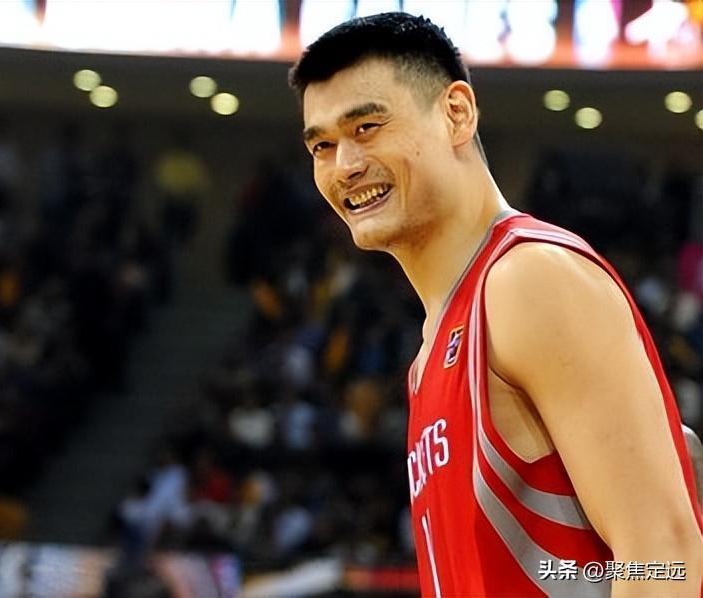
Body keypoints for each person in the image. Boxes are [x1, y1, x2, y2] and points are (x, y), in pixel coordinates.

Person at [288, 12, 703, 597]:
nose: (345, 166)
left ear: (457, 113)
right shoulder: (431, 353)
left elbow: (663, 552)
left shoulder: (528, 278)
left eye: (368, 127)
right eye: (323, 145)